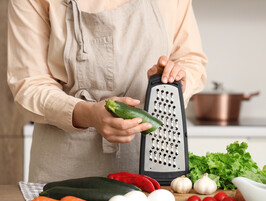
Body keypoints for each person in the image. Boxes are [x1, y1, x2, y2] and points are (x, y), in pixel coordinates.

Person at [7, 0, 207, 183]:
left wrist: (174, 81)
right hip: (65, 171)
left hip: (155, 164)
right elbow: (30, 84)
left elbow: (190, 60)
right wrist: (88, 114)